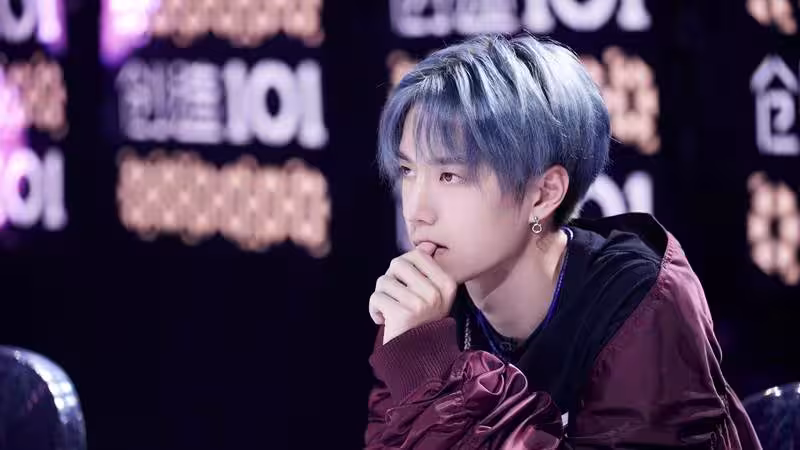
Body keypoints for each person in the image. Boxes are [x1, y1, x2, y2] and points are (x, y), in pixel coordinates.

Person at [365, 32, 761, 449]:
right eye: (408, 171)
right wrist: (420, 359)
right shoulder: (424, 308)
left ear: (543, 194)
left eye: (450, 175)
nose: (416, 210)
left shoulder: (642, 303)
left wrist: (437, 375)